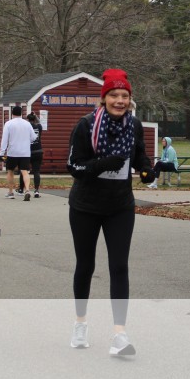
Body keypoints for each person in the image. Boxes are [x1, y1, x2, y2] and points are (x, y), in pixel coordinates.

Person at [65, 68, 153, 356]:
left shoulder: (134, 125)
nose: (120, 101)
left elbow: (139, 156)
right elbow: (73, 166)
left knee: (119, 266)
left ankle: (119, 334)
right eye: (114, 95)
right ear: (104, 99)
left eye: (124, 96)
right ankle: (80, 324)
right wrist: (101, 165)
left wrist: (147, 170)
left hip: (120, 206)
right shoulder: (86, 125)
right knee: (85, 265)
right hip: (86, 206)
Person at [0, 105, 37, 201]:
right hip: (25, 152)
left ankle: (10, 192)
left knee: (10, 171)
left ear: (12, 113)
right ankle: (27, 190)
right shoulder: (27, 124)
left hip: (13, 152)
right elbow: (33, 137)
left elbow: (4, 139)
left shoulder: (8, 124)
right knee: (25, 171)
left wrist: (2, 152)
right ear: (21, 114)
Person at [26, 112, 44, 198]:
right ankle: (36, 190)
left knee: (24, 171)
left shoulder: (26, 127)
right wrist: (35, 116)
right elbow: (39, 122)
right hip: (38, 151)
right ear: (35, 119)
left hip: (27, 152)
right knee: (36, 171)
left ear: (28, 119)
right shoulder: (39, 127)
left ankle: (22, 189)